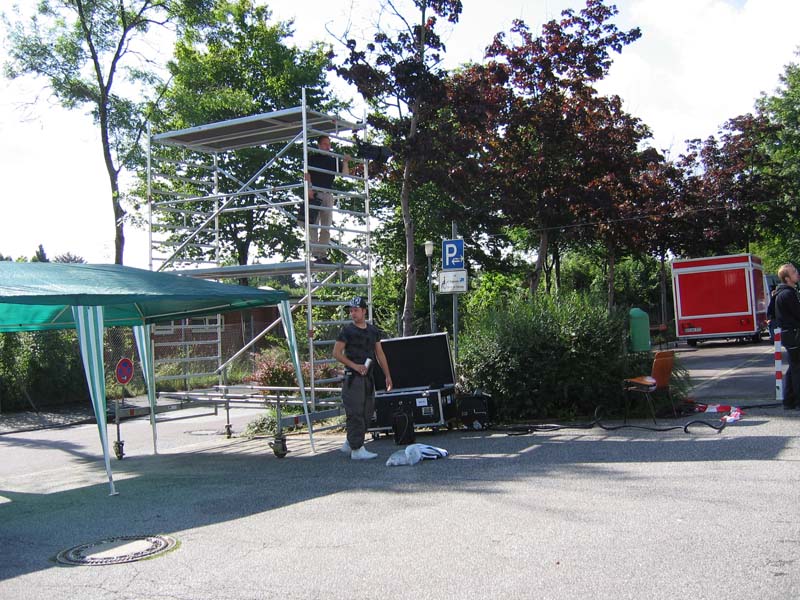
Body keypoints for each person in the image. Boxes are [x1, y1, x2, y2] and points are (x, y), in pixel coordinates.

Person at [332, 296, 393, 459]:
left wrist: (387, 375)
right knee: (355, 413)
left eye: (356, 310)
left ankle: (350, 442)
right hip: (353, 379)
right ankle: (357, 449)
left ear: (364, 311)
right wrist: (355, 366)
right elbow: (336, 353)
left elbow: (380, 354)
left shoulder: (373, 331)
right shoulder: (347, 331)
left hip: (368, 378)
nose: (353, 313)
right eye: (351, 311)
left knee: (367, 412)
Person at [302, 135, 350, 263]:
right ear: (319, 145)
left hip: (328, 195)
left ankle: (322, 254)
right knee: (313, 224)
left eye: (329, 144)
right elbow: (306, 175)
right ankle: (315, 253)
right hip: (315, 193)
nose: (327, 147)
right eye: (325, 144)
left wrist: (345, 162)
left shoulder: (332, 160)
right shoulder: (312, 158)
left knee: (326, 226)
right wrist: (309, 189)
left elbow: (345, 175)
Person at [773, 263, 800, 409]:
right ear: (787, 278)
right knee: (797, 370)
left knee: (793, 368)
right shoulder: (788, 294)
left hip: (789, 335)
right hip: (793, 334)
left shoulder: (783, 293)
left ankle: (789, 401)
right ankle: (797, 401)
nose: (797, 273)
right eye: (794, 272)